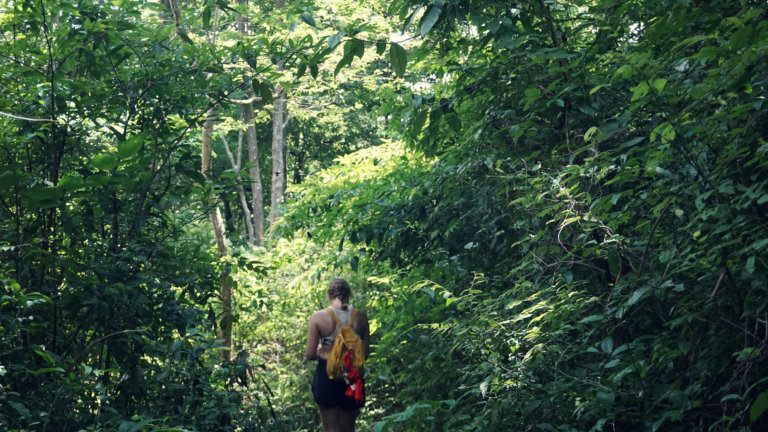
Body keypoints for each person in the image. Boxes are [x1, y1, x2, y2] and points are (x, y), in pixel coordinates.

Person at [305, 278, 370, 432]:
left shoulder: (319, 317)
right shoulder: (361, 317)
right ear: (349, 293)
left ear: (329, 295)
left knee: (331, 428)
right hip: (352, 375)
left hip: (327, 374)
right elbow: (365, 354)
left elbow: (310, 354)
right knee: (349, 428)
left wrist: (323, 350)